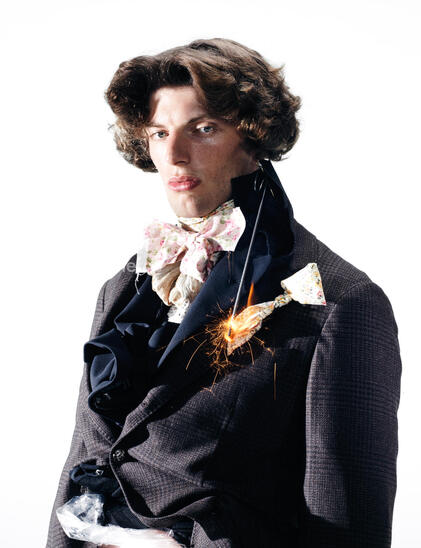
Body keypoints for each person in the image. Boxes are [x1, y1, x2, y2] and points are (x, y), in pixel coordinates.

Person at [47, 38, 402, 548]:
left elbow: (348, 528)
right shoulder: (123, 288)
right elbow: (82, 463)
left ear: (254, 136)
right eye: (160, 133)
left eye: (203, 129)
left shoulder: (340, 303)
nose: (174, 155)